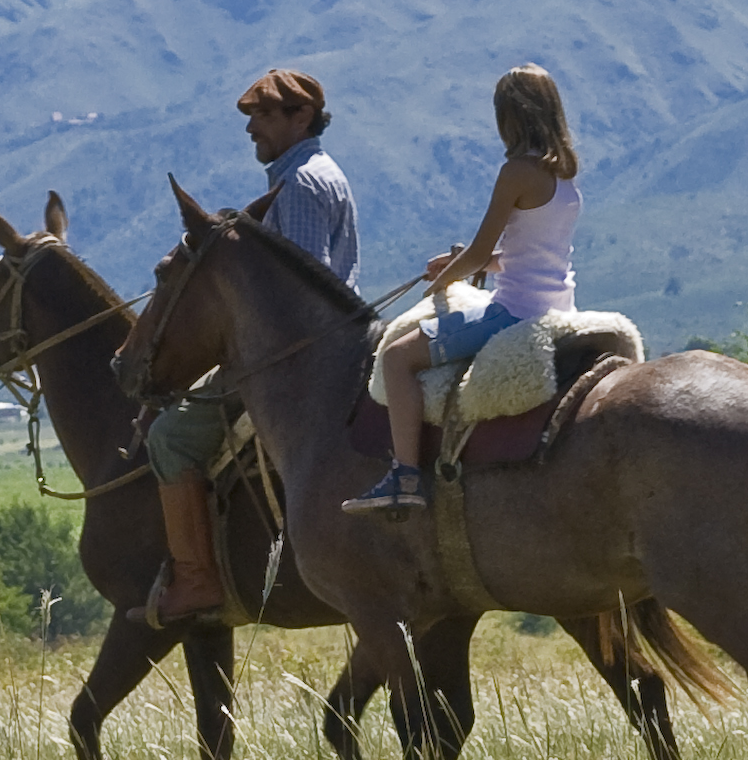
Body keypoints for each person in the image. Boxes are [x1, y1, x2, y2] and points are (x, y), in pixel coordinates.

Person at [141, 68, 361, 621]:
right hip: (319, 354)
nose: (251, 129)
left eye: (262, 115)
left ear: (301, 117)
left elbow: (299, 293)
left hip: (296, 365)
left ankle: (196, 579)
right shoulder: (313, 174)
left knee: (169, 436)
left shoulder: (302, 183)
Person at [347, 63, 579, 518]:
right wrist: (467, 263)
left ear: (510, 115)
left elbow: (478, 252)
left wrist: (443, 280)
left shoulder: (516, 171)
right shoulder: (565, 174)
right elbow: (527, 254)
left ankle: (405, 475)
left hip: (512, 312)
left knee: (397, 358)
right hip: (559, 305)